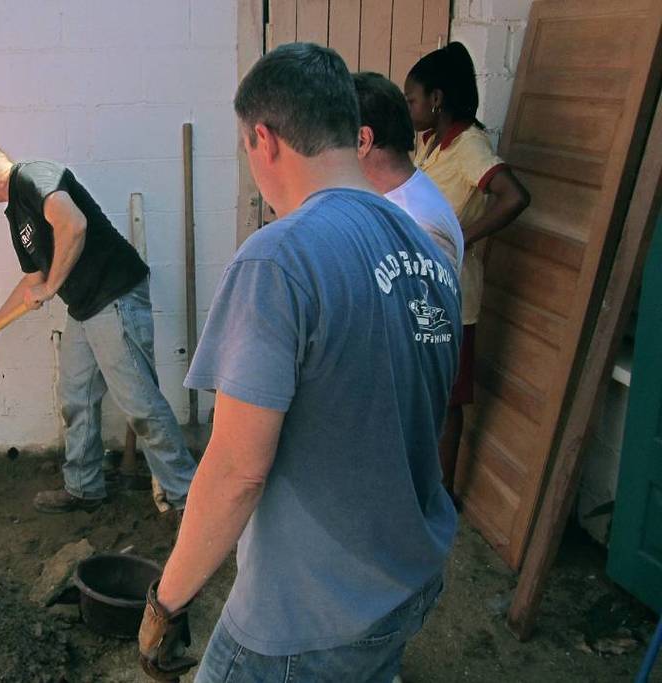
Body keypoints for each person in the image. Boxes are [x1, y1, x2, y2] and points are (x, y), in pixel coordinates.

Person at [137, 43, 461, 682]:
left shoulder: (279, 260)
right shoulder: (429, 252)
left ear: (264, 139)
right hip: (403, 583)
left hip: (302, 619)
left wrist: (165, 602)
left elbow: (236, 472)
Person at [0, 137, 197, 514]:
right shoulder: (16, 216)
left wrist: (51, 287)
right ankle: (84, 488)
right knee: (75, 395)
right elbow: (33, 281)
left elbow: (74, 224)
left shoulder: (33, 177)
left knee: (141, 405)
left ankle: (189, 502)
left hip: (114, 295)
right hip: (84, 307)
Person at [404, 42, 530, 495]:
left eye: (412, 99)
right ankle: (419, 483)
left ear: (436, 99)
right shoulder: (429, 142)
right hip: (418, 288)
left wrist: (464, 236)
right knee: (420, 389)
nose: (409, 108)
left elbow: (514, 196)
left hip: (451, 295)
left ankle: (443, 494)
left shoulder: (470, 145)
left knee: (447, 398)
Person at [354, 71, 464, 274]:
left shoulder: (415, 223)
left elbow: (431, 304)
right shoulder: (394, 198)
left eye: (334, 139)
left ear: (363, 140)